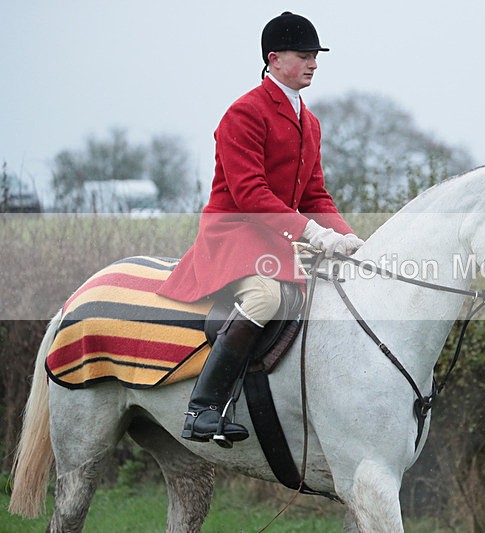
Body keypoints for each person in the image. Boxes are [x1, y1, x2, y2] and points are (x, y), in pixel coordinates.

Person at [157, 11, 363, 446]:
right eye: (304, 55)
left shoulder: (310, 121)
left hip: (275, 234)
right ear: (274, 58)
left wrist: (346, 237)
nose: (313, 63)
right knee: (266, 295)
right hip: (234, 233)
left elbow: (315, 196)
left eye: (315, 56)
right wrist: (311, 234)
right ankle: (203, 409)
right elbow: (250, 194)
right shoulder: (244, 112)